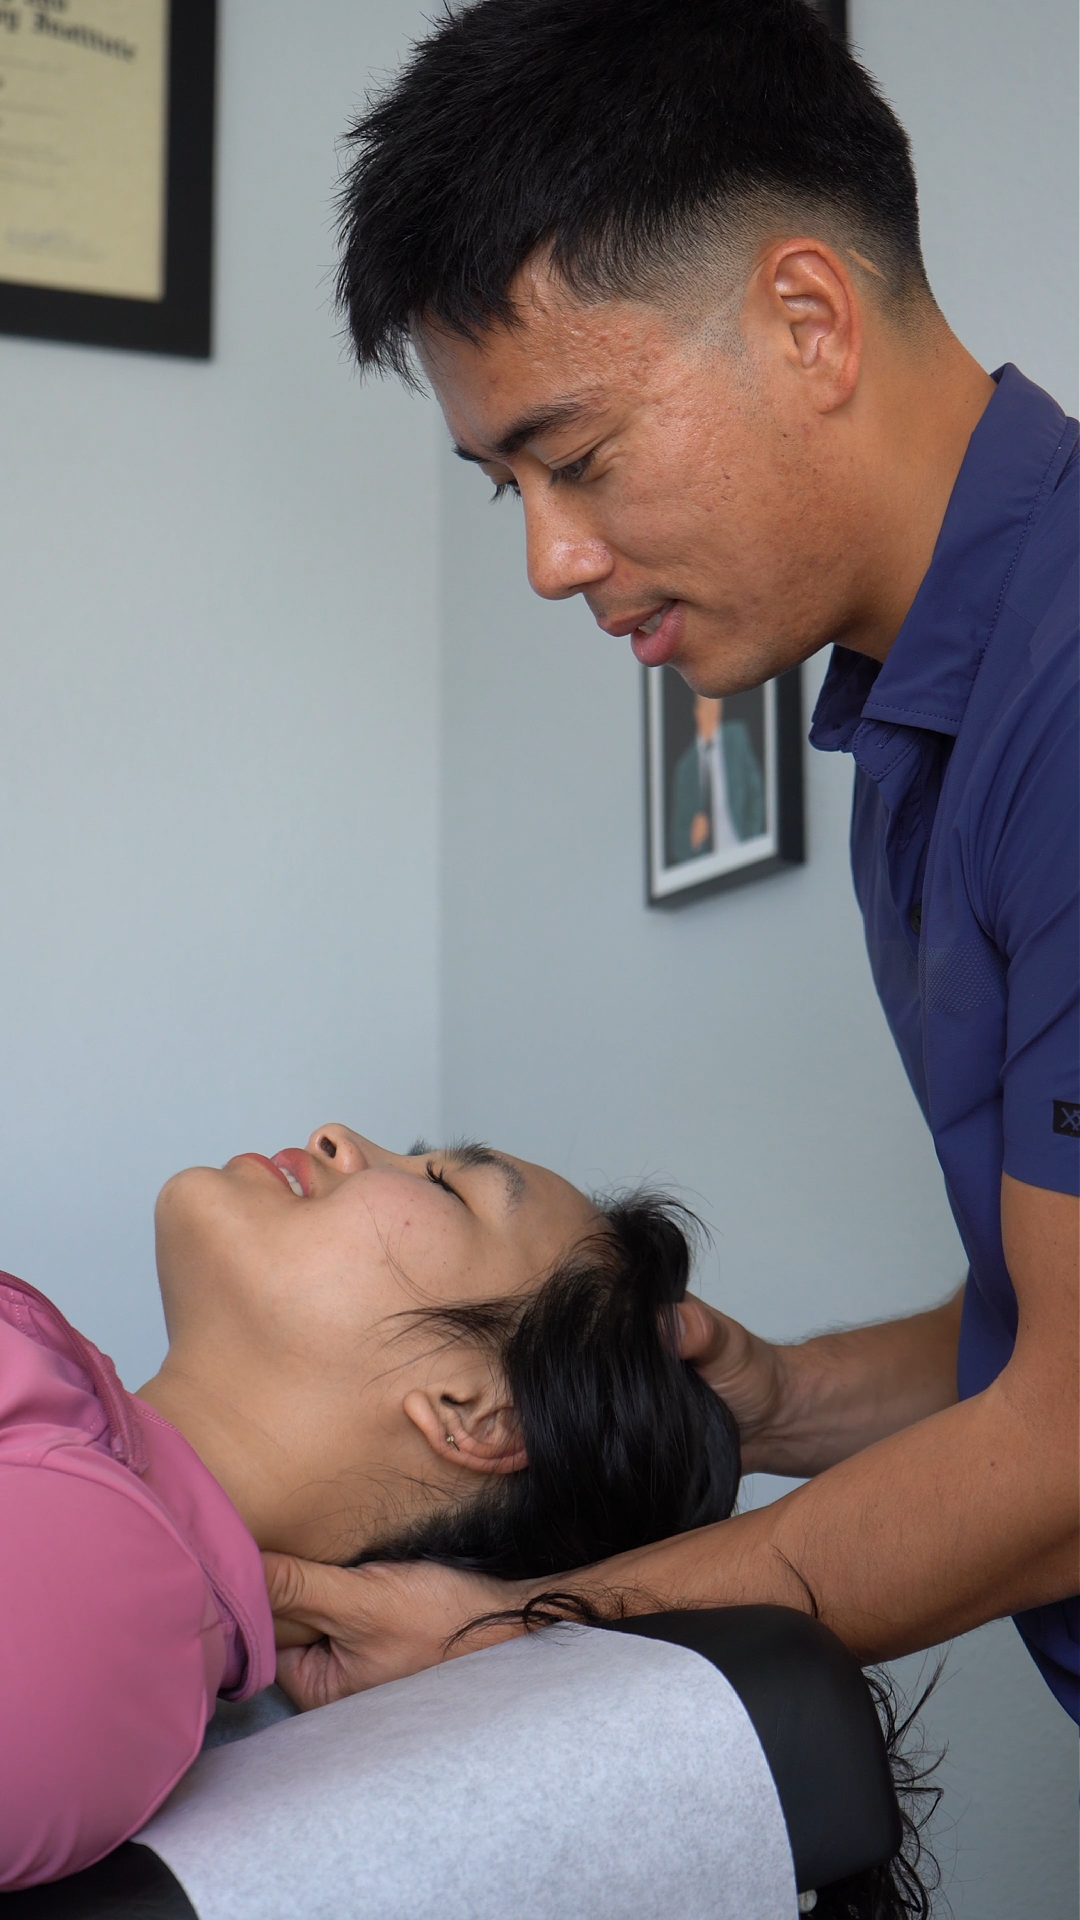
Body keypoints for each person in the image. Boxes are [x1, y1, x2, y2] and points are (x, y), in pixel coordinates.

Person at [263, 0, 1079, 1730]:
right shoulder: (927, 730)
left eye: (578, 458)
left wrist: (517, 1631)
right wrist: (779, 1398)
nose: (554, 560)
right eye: (511, 490)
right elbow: (1038, 1326)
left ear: (807, 320)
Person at [1, 1122, 743, 1891]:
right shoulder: (67, 1458)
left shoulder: (104, 1628)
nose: (335, 1137)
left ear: (477, 1413)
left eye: (445, 1185)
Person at [670, 693, 765, 862]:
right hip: (709, 862)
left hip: (743, 846)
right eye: (705, 706)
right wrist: (693, 840)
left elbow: (756, 792)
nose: (711, 711)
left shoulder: (736, 738)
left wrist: (752, 839)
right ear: (696, 711)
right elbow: (678, 841)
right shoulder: (685, 768)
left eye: (715, 704)